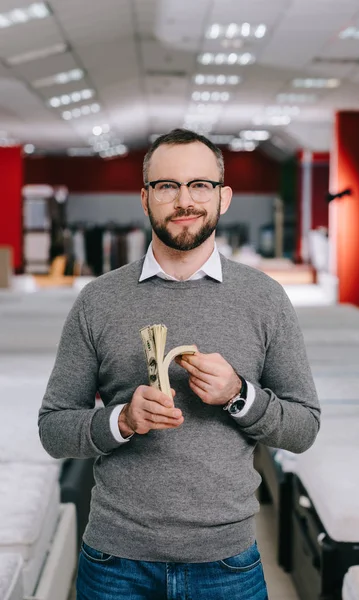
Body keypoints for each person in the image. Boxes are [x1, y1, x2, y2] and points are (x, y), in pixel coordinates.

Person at [38, 128, 320, 600]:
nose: (184, 200)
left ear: (223, 197)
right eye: (167, 185)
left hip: (228, 562)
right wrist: (123, 419)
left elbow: (304, 428)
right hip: (114, 562)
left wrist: (238, 396)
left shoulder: (264, 299)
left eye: (200, 185)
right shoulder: (98, 301)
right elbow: (53, 429)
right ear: (145, 198)